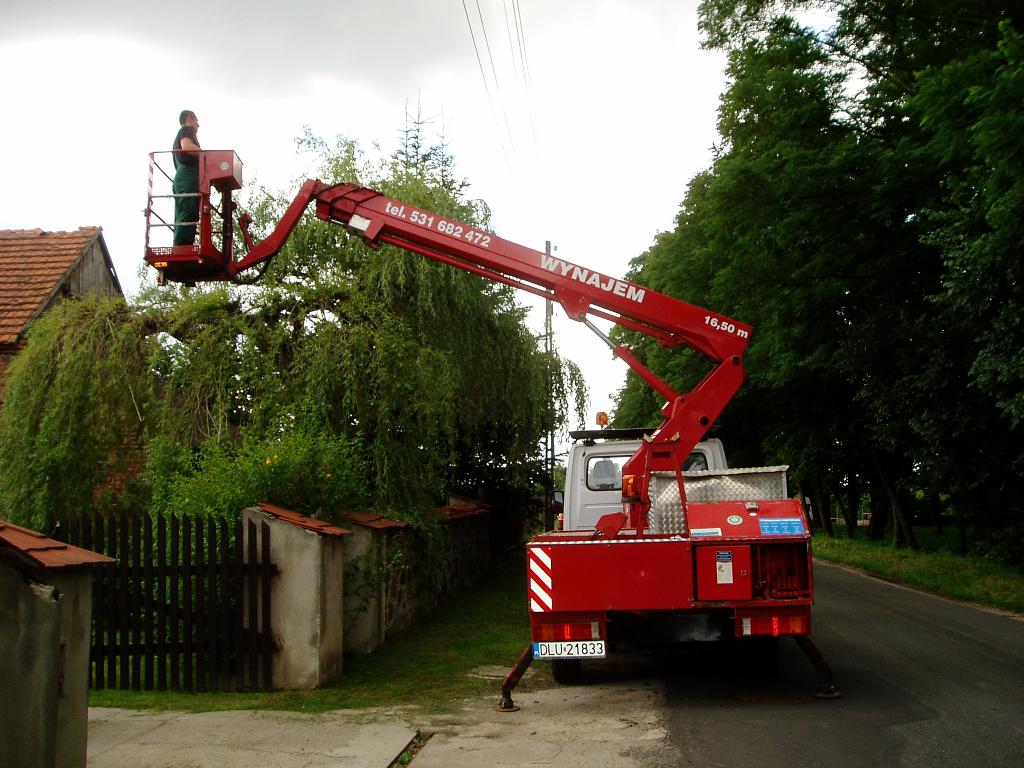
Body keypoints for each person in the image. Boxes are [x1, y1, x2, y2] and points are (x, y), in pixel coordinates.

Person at [172, 110, 201, 246]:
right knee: (187, 213)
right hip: (187, 178)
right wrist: (207, 155)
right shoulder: (187, 130)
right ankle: (182, 248)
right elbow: (187, 146)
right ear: (190, 119)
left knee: (184, 214)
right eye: (196, 121)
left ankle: (181, 245)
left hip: (182, 178)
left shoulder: (178, 136)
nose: (198, 125)